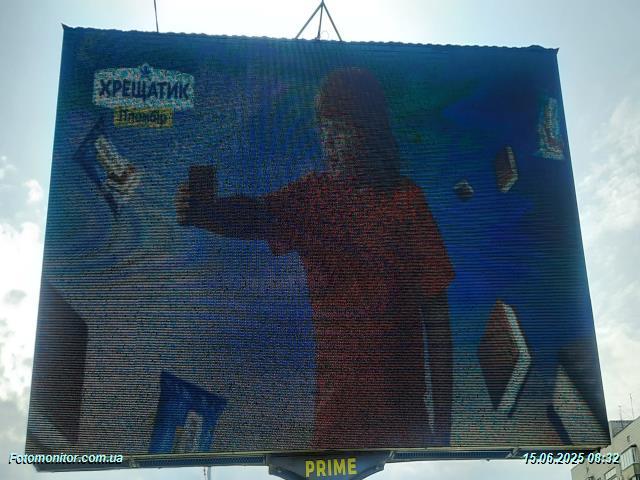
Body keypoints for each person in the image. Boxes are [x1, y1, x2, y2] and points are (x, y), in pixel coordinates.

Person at [176, 68, 454, 449]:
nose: (329, 144)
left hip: (405, 424)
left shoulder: (407, 202)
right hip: (336, 425)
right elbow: (255, 214)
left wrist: (444, 432)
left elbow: (438, 323)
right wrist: (205, 213)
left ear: (369, 130)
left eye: (341, 130)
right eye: (324, 130)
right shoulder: (315, 198)